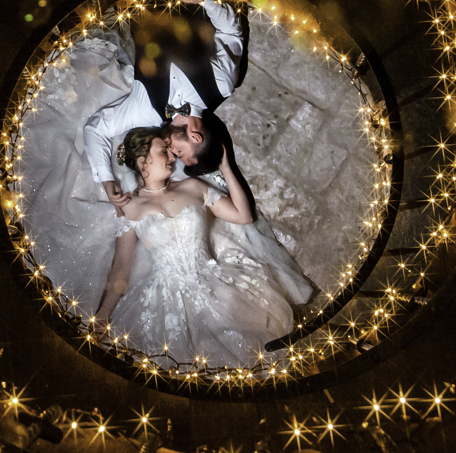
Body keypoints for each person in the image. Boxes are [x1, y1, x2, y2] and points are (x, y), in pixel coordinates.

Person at [89, 124, 304, 366]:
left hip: (215, 282)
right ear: (142, 161)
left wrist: (226, 166)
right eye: (164, 152)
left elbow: (243, 216)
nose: (172, 157)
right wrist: (102, 318)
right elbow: (121, 268)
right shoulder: (129, 208)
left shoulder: (193, 187)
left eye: (171, 152)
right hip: (165, 301)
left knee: (254, 351)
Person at [81, 0, 244, 209]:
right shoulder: (222, 86)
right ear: (195, 137)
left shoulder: (147, 111)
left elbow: (96, 129)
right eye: (180, 153)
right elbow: (231, 32)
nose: (171, 151)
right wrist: (203, 1)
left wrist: (106, 179)